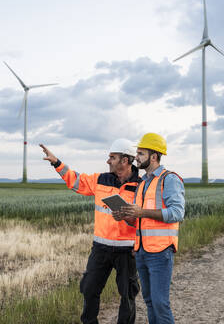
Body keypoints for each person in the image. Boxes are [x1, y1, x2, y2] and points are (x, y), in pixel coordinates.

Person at [39, 139, 141, 324]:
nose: (108, 161)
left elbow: (144, 221)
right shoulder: (100, 179)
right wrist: (56, 163)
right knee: (89, 289)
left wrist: (128, 218)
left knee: (128, 295)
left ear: (125, 161)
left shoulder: (141, 187)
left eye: (112, 157)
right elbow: (75, 180)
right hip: (100, 248)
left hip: (128, 250)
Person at [114, 132, 185, 324]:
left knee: (161, 304)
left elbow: (177, 213)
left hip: (160, 252)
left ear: (154, 156)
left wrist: (142, 212)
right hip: (142, 252)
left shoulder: (169, 180)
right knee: (150, 302)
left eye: (140, 153)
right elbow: (140, 219)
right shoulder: (143, 183)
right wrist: (127, 217)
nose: (136, 157)